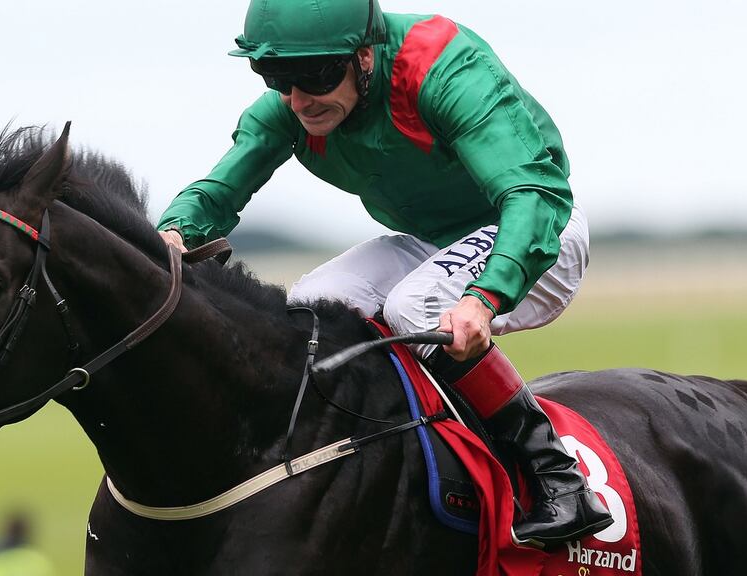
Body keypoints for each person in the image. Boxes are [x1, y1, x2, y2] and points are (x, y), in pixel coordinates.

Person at [157, 0, 612, 546]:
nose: (299, 99)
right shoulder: (290, 107)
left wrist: (483, 298)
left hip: (542, 230)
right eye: (277, 78)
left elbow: (532, 195)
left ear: (365, 56)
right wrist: (173, 232)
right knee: (313, 305)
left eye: (317, 76)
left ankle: (555, 473)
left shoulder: (442, 67)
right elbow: (221, 189)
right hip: (431, 243)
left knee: (412, 308)